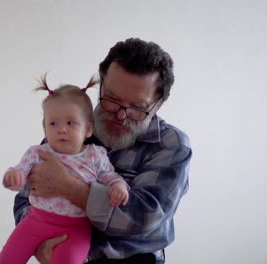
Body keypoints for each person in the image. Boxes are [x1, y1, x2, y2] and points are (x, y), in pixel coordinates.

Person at [13, 38, 192, 264]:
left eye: (137, 107)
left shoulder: (171, 145)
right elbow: (24, 198)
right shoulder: (70, 127)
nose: (120, 115)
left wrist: (67, 186)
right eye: (112, 99)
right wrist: (38, 243)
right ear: (101, 86)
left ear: (159, 104)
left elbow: (142, 217)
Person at [0, 75, 129, 264]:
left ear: (88, 129)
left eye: (70, 123)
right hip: (36, 221)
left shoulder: (95, 155)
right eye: (53, 123)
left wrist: (119, 186)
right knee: (8, 258)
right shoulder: (38, 152)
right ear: (44, 129)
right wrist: (13, 176)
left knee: (67, 260)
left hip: (76, 229)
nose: (62, 130)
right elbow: (20, 174)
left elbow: (110, 176)